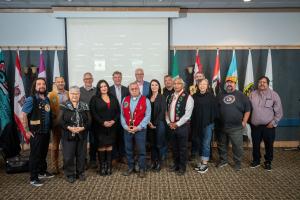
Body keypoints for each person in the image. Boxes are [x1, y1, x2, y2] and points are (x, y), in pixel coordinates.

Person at [21, 78, 54, 187]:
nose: (42, 85)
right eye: (39, 84)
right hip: (36, 132)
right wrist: (26, 131)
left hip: (45, 132)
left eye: (43, 83)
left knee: (43, 154)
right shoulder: (31, 99)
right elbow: (24, 115)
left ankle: (42, 171)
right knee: (35, 155)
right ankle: (33, 178)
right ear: (35, 87)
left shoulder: (46, 99)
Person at [217, 77, 251, 171]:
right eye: (227, 82)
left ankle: (237, 163)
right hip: (221, 126)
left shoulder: (241, 95)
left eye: (231, 82)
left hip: (236, 127)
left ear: (235, 84)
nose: (229, 84)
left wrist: (244, 121)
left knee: (237, 146)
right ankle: (223, 161)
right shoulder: (220, 95)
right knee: (222, 145)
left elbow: (248, 109)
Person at [249, 76, 283, 171]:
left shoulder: (274, 95)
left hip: (269, 126)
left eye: (264, 82)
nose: (262, 84)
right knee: (255, 144)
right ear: (258, 84)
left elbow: (279, 112)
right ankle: (256, 160)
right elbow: (248, 109)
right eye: (260, 82)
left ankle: (268, 161)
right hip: (255, 126)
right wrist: (249, 122)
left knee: (269, 145)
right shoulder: (252, 94)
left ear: (268, 84)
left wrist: (274, 122)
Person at [90, 80, 120, 176]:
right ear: (99, 88)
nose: (104, 88)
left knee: (110, 146)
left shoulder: (113, 98)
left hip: (112, 127)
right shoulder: (94, 99)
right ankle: (102, 167)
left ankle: (109, 166)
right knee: (102, 146)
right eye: (101, 86)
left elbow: (118, 112)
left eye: (105, 86)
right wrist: (103, 122)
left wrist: (114, 121)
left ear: (107, 87)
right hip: (100, 127)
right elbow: (93, 113)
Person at [121, 82, 151, 178]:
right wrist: (126, 127)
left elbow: (147, 116)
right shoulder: (125, 100)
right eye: (132, 89)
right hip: (127, 130)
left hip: (140, 129)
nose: (134, 90)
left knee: (141, 150)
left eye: (135, 89)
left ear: (139, 89)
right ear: (129, 90)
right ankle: (130, 167)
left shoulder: (145, 100)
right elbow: (122, 115)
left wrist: (138, 127)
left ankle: (142, 168)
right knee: (128, 149)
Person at [61, 86, 90, 183]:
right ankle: (69, 174)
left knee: (81, 155)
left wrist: (83, 127)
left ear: (79, 94)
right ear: (69, 94)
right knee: (68, 156)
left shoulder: (84, 106)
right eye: (72, 93)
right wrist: (69, 128)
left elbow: (89, 120)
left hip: (82, 135)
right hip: (68, 135)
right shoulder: (63, 106)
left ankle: (80, 172)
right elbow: (60, 121)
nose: (74, 95)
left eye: (76, 93)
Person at [166, 77, 194, 176]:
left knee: (182, 148)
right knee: (174, 147)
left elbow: (188, 115)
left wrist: (176, 124)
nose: (176, 85)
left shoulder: (188, 97)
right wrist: (169, 122)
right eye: (175, 83)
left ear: (182, 85)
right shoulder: (170, 96)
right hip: (171, 126)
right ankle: (176, 164)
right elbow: (167, 111)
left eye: (178, 83)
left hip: (182, 127)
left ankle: (182, 167)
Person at [191, 79, 219, 174]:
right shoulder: (194, 96)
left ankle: (205, 164)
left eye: (204, 84)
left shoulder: (211, 97)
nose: (202, 86)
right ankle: (201, 161)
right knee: (199, 143)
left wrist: (212, 123)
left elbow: (215, 111)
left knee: (206, 144)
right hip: (197, 124)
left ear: (207, 86)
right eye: (200, 84)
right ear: (197, 86)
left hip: (208, 124)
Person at [48, 77, 69, 174]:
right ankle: (54, 166)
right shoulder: (51, 95)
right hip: (56, 124)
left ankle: (67, 164)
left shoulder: (69, 93)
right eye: (58, 82)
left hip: (67, 124)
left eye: (62, 81)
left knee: (67, 146)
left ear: (64, 83)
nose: (60, 83)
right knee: (55, 146)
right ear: (55, 83)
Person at [109, 71, 129, 163]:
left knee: (123, 137)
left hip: (124, 117)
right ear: (113, 78)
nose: (117, 79)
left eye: (119, 77)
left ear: (121, 78)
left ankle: (123, 155)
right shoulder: (109, 89)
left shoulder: (126, 89)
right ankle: (114, 156)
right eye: (115, 77)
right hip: (113, 117)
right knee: (113, 137)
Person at [147, 79, 166, 172]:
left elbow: (162, 112)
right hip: (149, 125)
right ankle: (153, 162)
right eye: (152, 85)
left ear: (159, 86)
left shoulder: (162, 97)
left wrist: (155, 124)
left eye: (156, 85)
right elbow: (146, 112)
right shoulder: (147, 97)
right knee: (152, 144)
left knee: (159, 144)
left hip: (159, 124)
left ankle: (159, 163)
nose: (154, 87)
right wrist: (149, 122)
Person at [79, 72, 97, 168]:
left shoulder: (97, 90)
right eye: (86, 79)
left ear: (92, 79)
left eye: (90, 78)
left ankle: (93, 159)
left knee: (93, 141)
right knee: (83, 141)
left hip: (94, 120)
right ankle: (84, 160)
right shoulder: (79, 90)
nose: (88, 80)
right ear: (83, 80)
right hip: (83, 120)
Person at [189, 72, 205, 160]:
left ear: (203, 77)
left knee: (205, 137)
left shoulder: (208, 87)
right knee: (194, 136)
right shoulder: (192, 88)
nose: (198, 78)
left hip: (205, 117)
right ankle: (193, 153)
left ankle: (206, 154)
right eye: (197, 77)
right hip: (194, 116)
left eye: (200, 76)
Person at [162, 75, 174, 161]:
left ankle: (175, 156)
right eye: (165, 80)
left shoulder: (177, 91)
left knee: (174, 139)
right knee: (164, 138)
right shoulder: (162, 92)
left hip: (174, 120)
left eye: (169, 80)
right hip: (164, 120)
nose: (167, 82)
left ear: (172, 81)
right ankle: (163, 154)